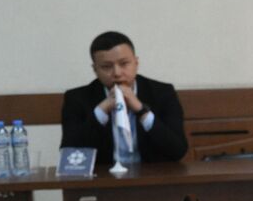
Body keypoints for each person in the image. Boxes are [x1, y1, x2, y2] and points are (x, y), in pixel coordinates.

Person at [61, 31, 188, 166]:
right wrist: (101, 111)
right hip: (102, 180)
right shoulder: (77, 98)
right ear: (95, 69)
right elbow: (69, 153)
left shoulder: (162, 93)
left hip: (150, 179)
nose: (117, 73)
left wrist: (141, 110)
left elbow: (178, 150)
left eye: (124, 64)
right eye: (106, 67)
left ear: (136, 63)